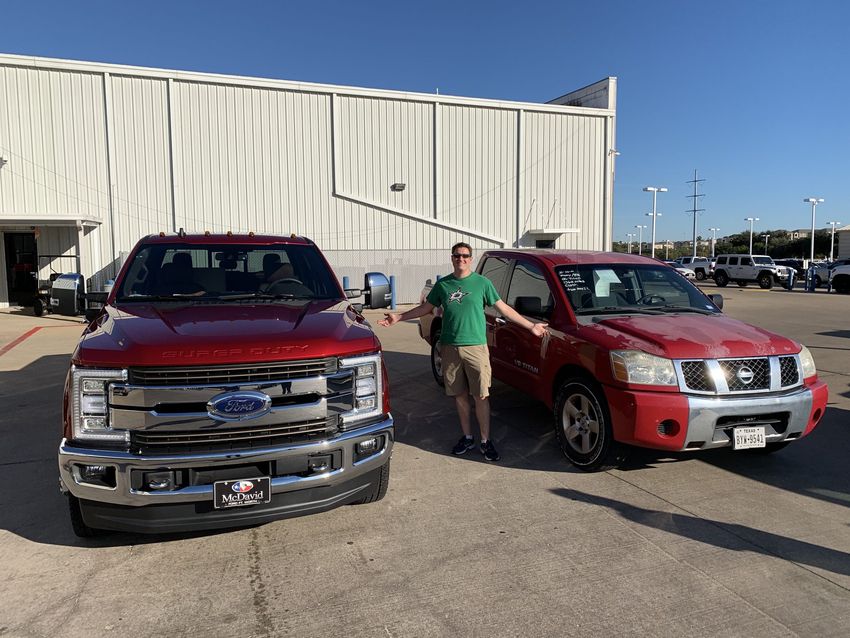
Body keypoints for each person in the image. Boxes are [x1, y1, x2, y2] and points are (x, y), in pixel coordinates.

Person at [379, 242, 548, 462]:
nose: (461, 259)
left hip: (476, 347)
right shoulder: (443, 286)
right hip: (450, 348)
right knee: (459, 396)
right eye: (457, 256)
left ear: (470, 258)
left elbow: (503, 308)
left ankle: (485, 441)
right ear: (452, 258)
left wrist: (530, 326)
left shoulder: (482, 283)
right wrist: (398, 316)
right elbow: (425, 309)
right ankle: (467, 437)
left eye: (465, 256)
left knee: (481, 395)